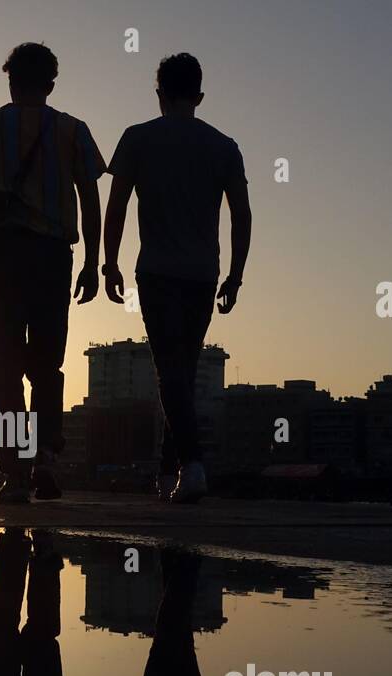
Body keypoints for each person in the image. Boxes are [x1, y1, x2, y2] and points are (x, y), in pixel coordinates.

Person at [0, 42, 105, 504]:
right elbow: (91, 201)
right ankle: (45, 462)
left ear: (10, 80)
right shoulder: (73, 131)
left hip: (6, 255)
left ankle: (14, 470)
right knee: (47, 365)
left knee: (3, 365)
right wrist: (93, 263)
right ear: (51, 84)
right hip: (55, 257)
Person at [103, 53, 252, 504]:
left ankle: (193, 465)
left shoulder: (137, 138)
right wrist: (236, 275)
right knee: (180, 372)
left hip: (157, 271)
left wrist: (108, 262)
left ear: (159, 93)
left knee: (171, 371)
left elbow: (117, 205)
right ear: (200, 96)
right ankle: (171, 474)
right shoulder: (224, 146)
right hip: (203, 274)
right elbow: (241, 215)